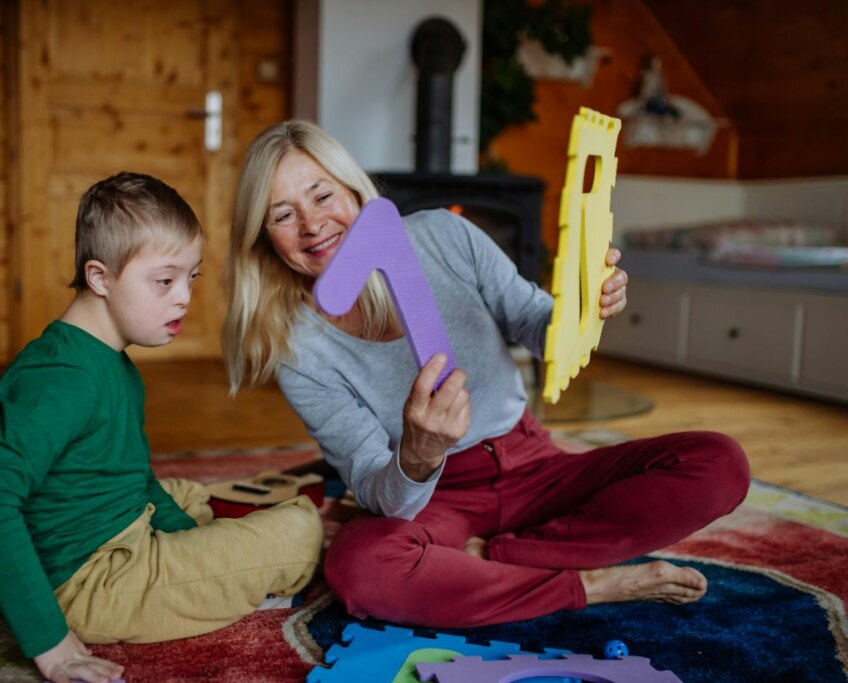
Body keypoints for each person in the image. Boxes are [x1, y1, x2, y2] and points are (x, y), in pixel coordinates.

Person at [222, 119, 750, 629]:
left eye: (321, 195)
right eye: (282, 215)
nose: (312, 224)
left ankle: (501, 557)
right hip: (439, 498)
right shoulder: (296, 350)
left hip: (534, 462)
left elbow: (537, 325)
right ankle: (591, 583)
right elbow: (380, 492)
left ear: (355, 193)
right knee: (359, 566)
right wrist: (419, 453)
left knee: (719, 463)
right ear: (265, 238)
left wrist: (583, 307)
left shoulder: (444, 236)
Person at [0, 172, 323, 683]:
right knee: (300, 529)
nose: (184, 298)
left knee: (189, 495)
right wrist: (52, 644)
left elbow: (132, 477)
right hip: (92, 583)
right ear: (101, 278)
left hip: (116, 529)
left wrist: (195, 543)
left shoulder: (109, 361)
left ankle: (210, 552)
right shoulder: (63, 381)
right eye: (164, 281)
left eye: (191, 277)